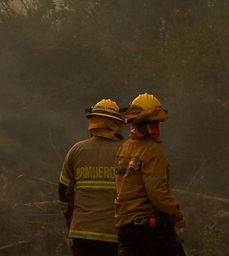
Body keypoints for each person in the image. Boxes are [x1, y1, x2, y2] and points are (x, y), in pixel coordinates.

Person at [113, 93, 184, 256]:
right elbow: (157, 193)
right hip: (151, 230)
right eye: (154, 122)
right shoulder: (151, 150)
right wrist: (176, 214)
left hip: (125, 228)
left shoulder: (125, 148)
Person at [59, 99, 125, 255]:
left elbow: (63, 189)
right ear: (116, 124)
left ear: (93, 121)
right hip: (115, 233)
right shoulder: (126, 151)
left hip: (82, 231)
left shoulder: (77, 150)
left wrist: (69, 217)